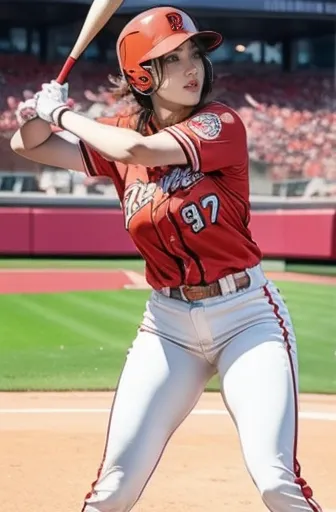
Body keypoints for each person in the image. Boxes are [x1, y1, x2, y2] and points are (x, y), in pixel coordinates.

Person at [10, 6, 322, 512]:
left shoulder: (221, 124)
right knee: (112, 489)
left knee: (274, 479)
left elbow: (136, 150)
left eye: (192, 53)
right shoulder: (118, 129)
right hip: (167, 325)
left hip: (246, 317)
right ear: (142, 74)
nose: (191, 66)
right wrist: (38, 112)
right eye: (172, 59)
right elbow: (30, 148)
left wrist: (62, 115)